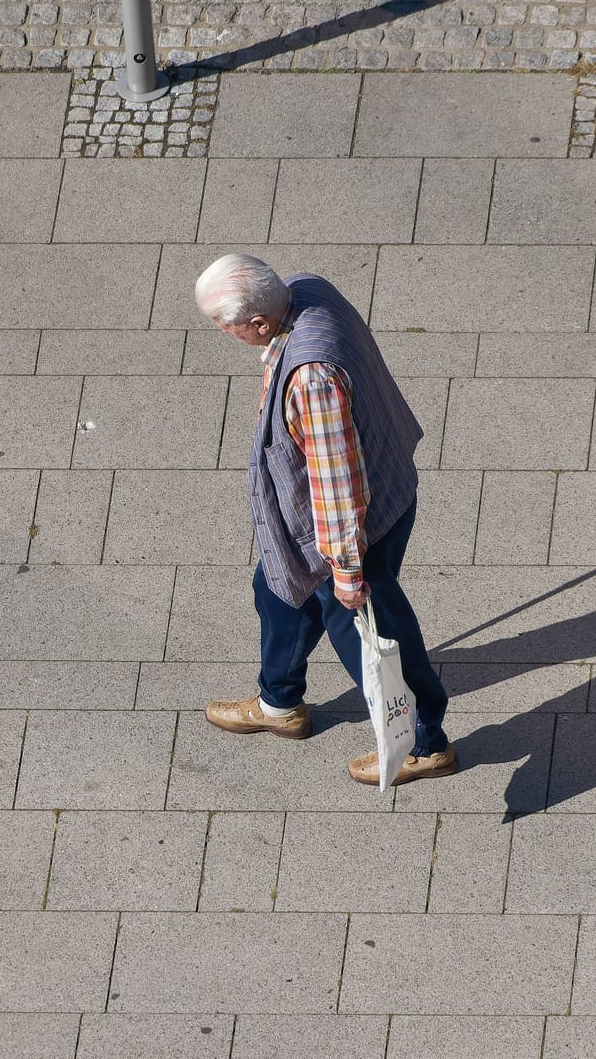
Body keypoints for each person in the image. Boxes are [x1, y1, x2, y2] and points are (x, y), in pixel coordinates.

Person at [195, 253, 457, 785]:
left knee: (375, 635)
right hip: (380, 486)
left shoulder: (312, 379)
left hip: (353, 528)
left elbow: (336, 485)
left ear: (262, 322)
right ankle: (279, 702)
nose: (225, 334)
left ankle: (427, 742)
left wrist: (346, 574)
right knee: (276, 589)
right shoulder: (306, 287)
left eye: (226, 326)